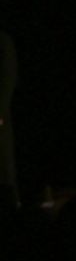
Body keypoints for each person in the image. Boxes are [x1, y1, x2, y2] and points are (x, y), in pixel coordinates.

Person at [0, 30, 15, 198]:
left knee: (4, 164)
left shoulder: (3, 40)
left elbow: (9, 76)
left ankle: (11, 204)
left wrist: (1, 109)